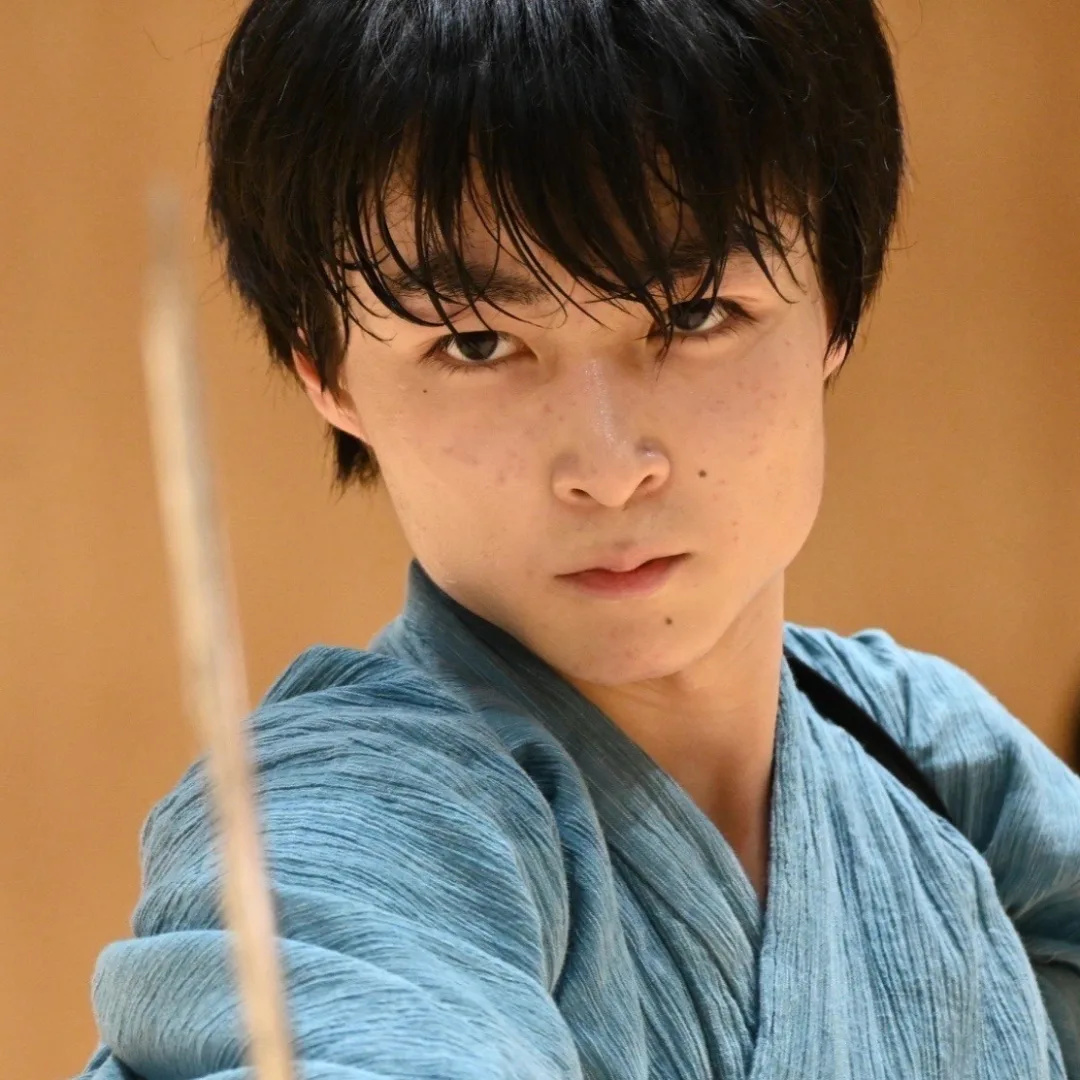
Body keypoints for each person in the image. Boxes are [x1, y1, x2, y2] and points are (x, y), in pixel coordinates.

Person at [78, 0, 1080, 1076]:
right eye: (475, 341)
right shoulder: (343, 818)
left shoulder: (931, 760)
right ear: (325, 371)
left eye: (693, 315)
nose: (607, 466)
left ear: (836, 298)